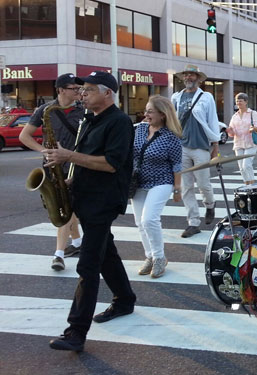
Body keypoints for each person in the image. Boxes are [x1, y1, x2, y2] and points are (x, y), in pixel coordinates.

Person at [43, 71, 137, 352]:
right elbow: (88, 161)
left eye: (89, 90)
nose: (82, 94)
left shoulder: (119, 122)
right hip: (86, 195)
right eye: (82, 90)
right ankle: (124, 299)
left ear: (107, 93)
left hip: (103, 200)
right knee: (105, 251)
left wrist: (68, 156)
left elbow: (111, 163)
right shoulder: (89, 119)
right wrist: (70, 179)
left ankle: (76, 332)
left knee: (88, 264)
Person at [20, 73, 84, 271]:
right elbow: (24, 136)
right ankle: (78, 244)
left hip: (74, 166)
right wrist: (44, 151)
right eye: (74, 88)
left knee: (67, 209)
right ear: (61, 90)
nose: (78, 91)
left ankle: (59, 254)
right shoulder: (45, 110)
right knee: (63, 208)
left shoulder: (84, 111)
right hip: (52, 167)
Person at [132, 96, 183, 279]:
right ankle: (150, 256)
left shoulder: (171, 137)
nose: (145, 115)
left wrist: (177, 189)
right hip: (138, 181)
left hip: (162, 181)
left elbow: (177, 165)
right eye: (145, 111)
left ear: (162, 114)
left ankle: (160, 258)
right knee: (139, 223)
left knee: (149, 220)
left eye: (150, 111)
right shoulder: (139, 130)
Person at [171, 64, 220, 238]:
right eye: (186, 75)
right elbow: (172, 119)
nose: (188, 78)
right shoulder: (176, 97)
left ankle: (210, 204)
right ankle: (193, 222)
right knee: (186, 187)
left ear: (198, 79)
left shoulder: (206, 97)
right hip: (182, 146)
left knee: (204, 184)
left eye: (192, 75)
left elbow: (213, 120)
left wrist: (215, 145)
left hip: (200, 146)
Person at [227, 92, 257, 185]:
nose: (238, 103)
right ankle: (247, 185)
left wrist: (254, 128)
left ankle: (252, 185)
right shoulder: (235, 116)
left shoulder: (252, 113)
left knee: (247, 165)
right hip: (238, 143)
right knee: (241, 168)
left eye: (240, 101)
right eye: (237, 101)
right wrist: (228, 130)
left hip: (251, 142)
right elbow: (232, 132)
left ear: (246, 102)